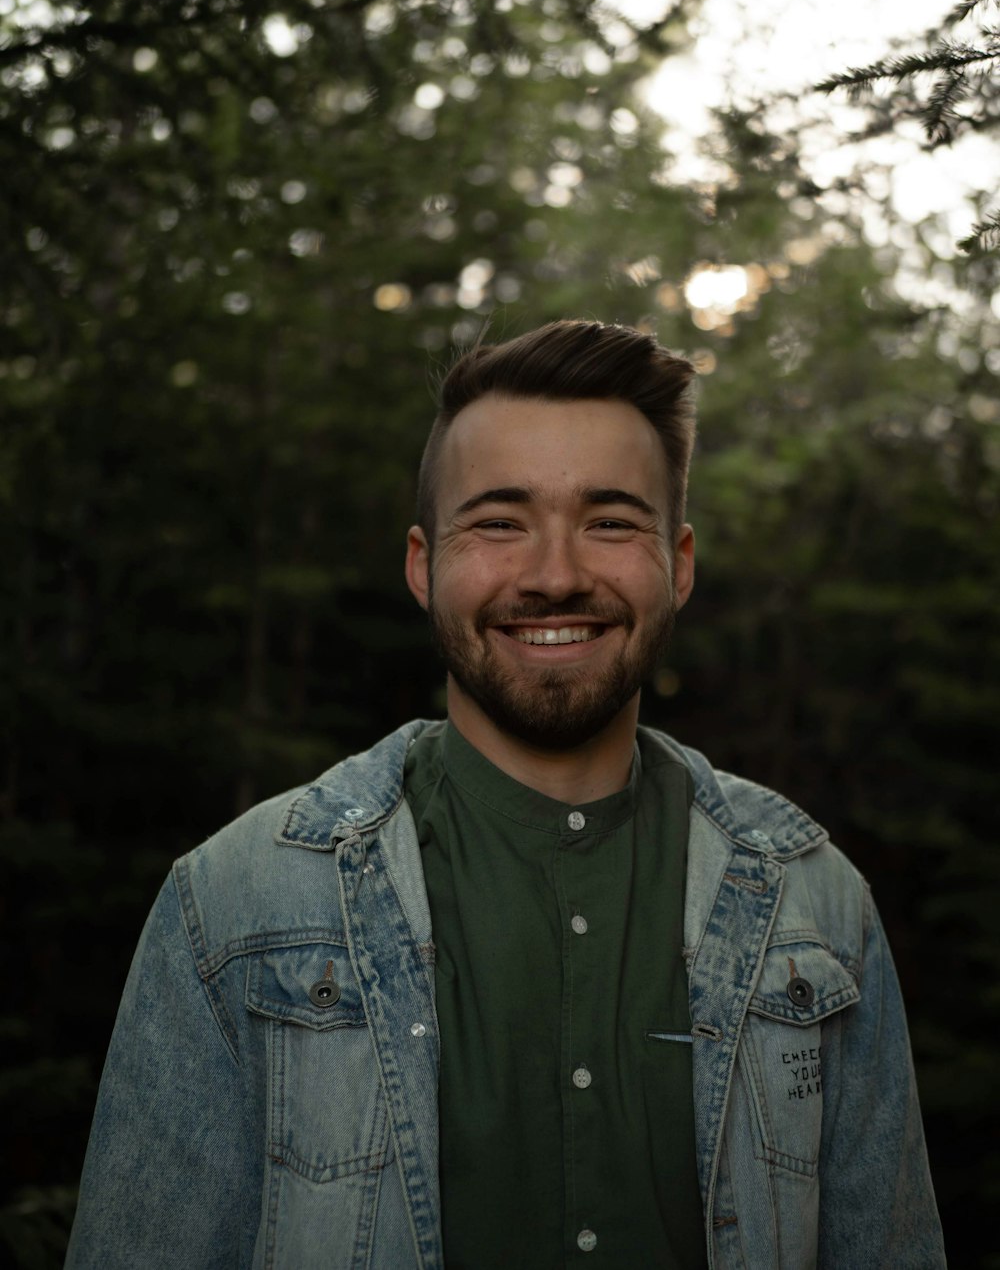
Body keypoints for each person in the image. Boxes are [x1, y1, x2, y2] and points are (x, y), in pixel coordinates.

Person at [66, 320, 945, 1269]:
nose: (556, 574)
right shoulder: (233, 904)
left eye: (609, 521)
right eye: (497, 522)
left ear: (679, 564)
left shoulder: (819, 908)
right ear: (422, 565)